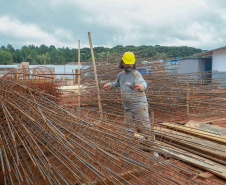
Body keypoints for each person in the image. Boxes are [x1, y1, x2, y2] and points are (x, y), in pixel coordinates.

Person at [103, 52, 151, 140]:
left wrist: (141, 87)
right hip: (127, 107)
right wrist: (109, 85)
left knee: (145, 127)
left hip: (139, 106)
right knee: (128, 129)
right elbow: (116, 83)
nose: (129, 65)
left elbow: (143, 83)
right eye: (127, 63)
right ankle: (129, 145)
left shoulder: (136, 74)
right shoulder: (121, 75)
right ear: (122, 63)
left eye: (131, 64)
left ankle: (149, 146)